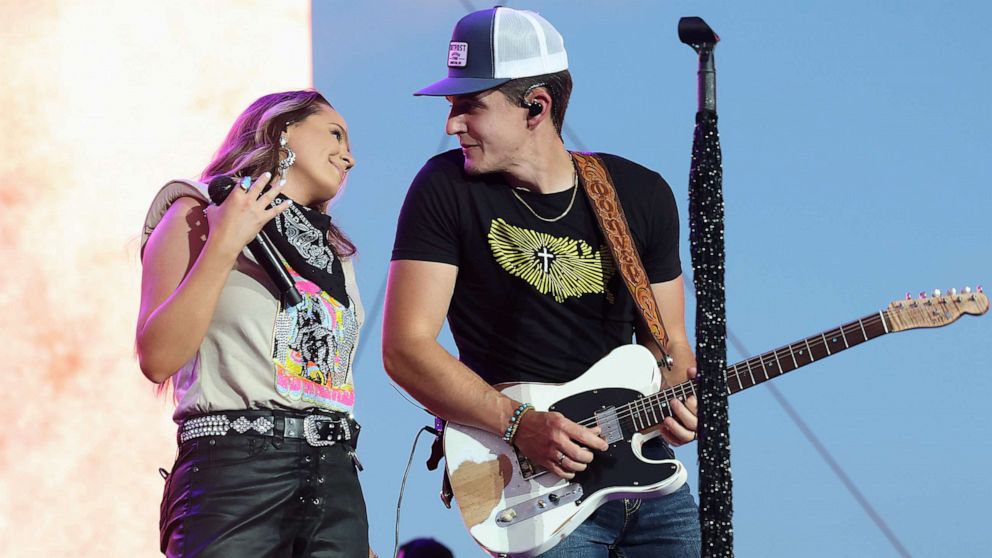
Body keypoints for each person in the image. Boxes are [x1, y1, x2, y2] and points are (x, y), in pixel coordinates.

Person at [382, 7, 701, 558]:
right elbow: (405, 349)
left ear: (537, 106)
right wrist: (519, 425)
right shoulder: (445, 187)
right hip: (531, 491)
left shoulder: (639, 193)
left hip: (647, 485)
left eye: (470, 106)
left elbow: (668, 343)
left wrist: (680, 400)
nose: (451, 124)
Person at [137, 90, 370, 557]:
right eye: (335, 134)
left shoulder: (337, 256)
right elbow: (157, 357)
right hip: (235, 477)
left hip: (336, 480)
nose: (350, 156)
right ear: (283, 130)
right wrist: (225, 242)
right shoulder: (196, 214)